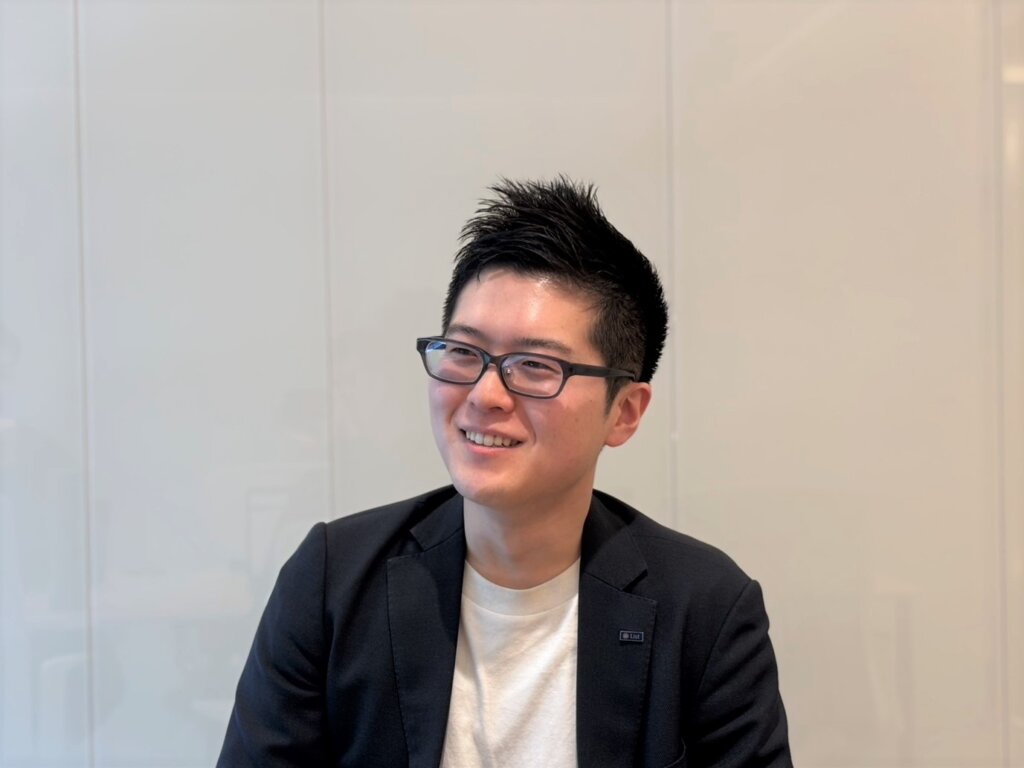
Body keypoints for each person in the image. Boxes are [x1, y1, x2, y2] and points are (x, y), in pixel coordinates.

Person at [217, 177, 791, 767]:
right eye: (464, 352)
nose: (485, 394)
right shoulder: (333, 584)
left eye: (534, 365)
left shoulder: (705, 612)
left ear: (623, 412)